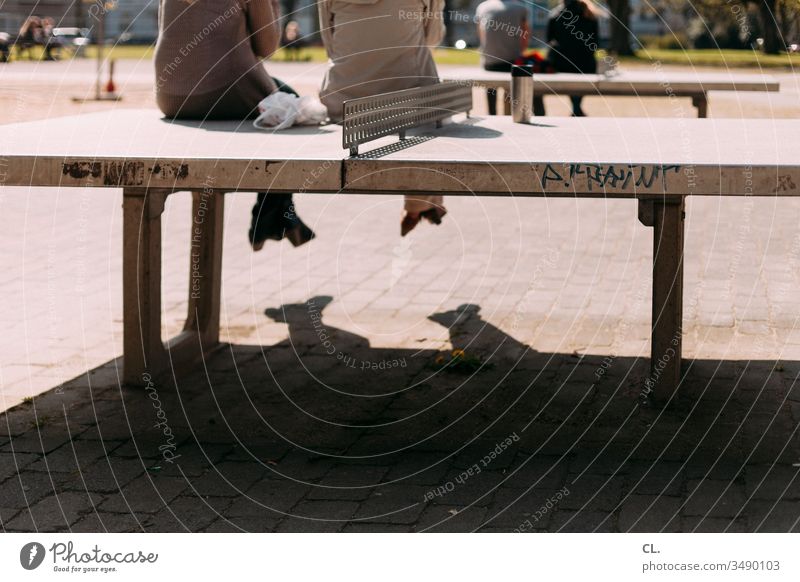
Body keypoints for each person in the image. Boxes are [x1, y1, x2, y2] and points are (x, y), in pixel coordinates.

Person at [154, 0, 314, 250]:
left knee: (282, 98)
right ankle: (269, 216)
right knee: (287, 107)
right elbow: (268, 46)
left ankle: (285, 218)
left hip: (170, 95)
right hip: (222, 90)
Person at [318, 0, 447, 236]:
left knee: (425, 113)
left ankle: (423, 206)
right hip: (410, 102)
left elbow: (330, 44)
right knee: (431, 113)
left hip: (344, 103)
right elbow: (432, 39)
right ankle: (419, 204)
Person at [475, 0, 530, 115]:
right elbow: (525, 33)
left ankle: (492, 112)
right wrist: (521, 52)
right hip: (512, 62)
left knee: (490, 87)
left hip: (489, 63)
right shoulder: (521, 8)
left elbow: (481, 33)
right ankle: (509, 113)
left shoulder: (482, 7)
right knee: (511, 88)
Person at [547, 0, 599, 117]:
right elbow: (596, 43)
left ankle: (576, 108)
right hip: (586, 63)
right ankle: (577, 107)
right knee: (579, 77)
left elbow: (549, 39)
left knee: (567, 68)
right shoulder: (589, 14)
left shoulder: (555, 15)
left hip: (562, 62)